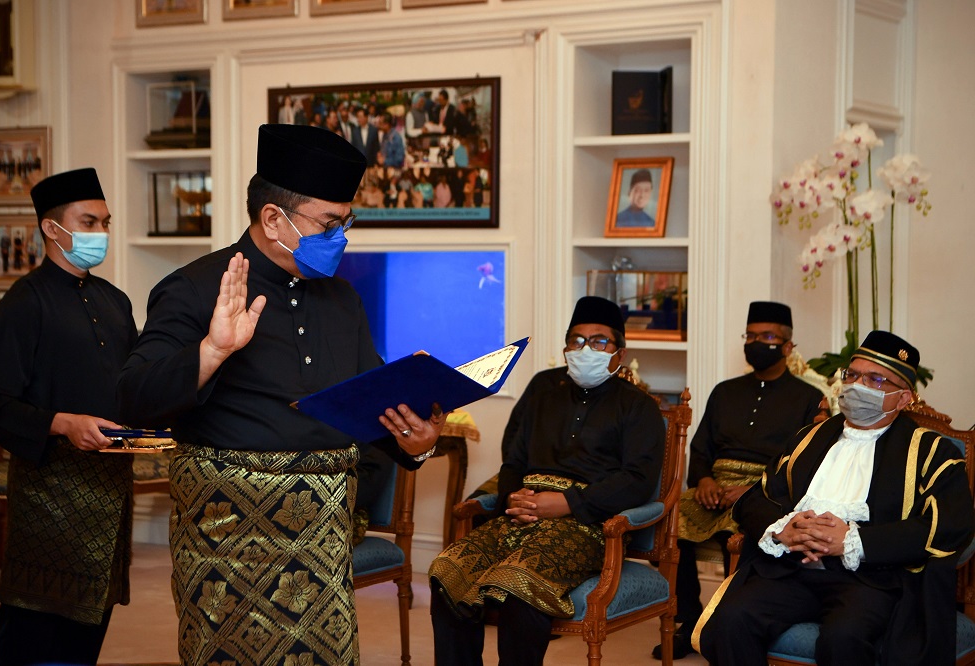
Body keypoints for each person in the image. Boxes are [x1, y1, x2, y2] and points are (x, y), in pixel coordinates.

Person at [116, 124, 444, 665]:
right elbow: (132, 396)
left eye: (347, 222)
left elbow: (372, 401)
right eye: (330, 223)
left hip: (322, 540)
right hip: (227, 543)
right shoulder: (196, 287)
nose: (342, 236)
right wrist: (211, 353)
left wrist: (418, 444)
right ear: (274, 219)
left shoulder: (342, 299)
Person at [695, 330, 974, 666]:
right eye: (852, 374)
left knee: (844, 637)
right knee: (732, 620)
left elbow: (948, 525)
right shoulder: (807, 437)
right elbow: (759, 496)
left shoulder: (932, 451)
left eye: (876, 379)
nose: (857, 385)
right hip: (792, 570)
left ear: (904, 399)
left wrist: (853, 540)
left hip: (871, 580)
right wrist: (785, 528)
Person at [428, 296, 666, 666]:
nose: (586, 349)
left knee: (519, 581)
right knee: (447, 570)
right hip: (522, 513)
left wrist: (569, 503)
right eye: (577, 340)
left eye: (600, 341)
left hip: (589, 523)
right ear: (567, 346)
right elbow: (515, 458)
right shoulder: (542, 388)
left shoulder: (639, 406)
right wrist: (515, 498)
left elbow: (637, 479)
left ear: (619, 352)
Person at [0, 167, 137, 666]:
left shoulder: (115, 301)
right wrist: (63, 423)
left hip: (112, 489)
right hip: (51, 494)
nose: (100, 234)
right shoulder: (22, 304)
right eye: (88, 221)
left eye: (106, 223)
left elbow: (131, 384)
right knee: (35, 625)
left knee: (89, 622)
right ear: (52, 228)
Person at [654, 301, 826, 659]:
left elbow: (805, 463)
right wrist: (702, 480)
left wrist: (754, 489)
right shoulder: (725, 391)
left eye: (767, 336)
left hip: (766, 490)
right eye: (750, 335)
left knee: (738, 536)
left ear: (788, 346)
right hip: (713, 488)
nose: (756, 343)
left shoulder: (809, 399)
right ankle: (689, 618)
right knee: (669, 521)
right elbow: (701, 448)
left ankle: (728, 622)